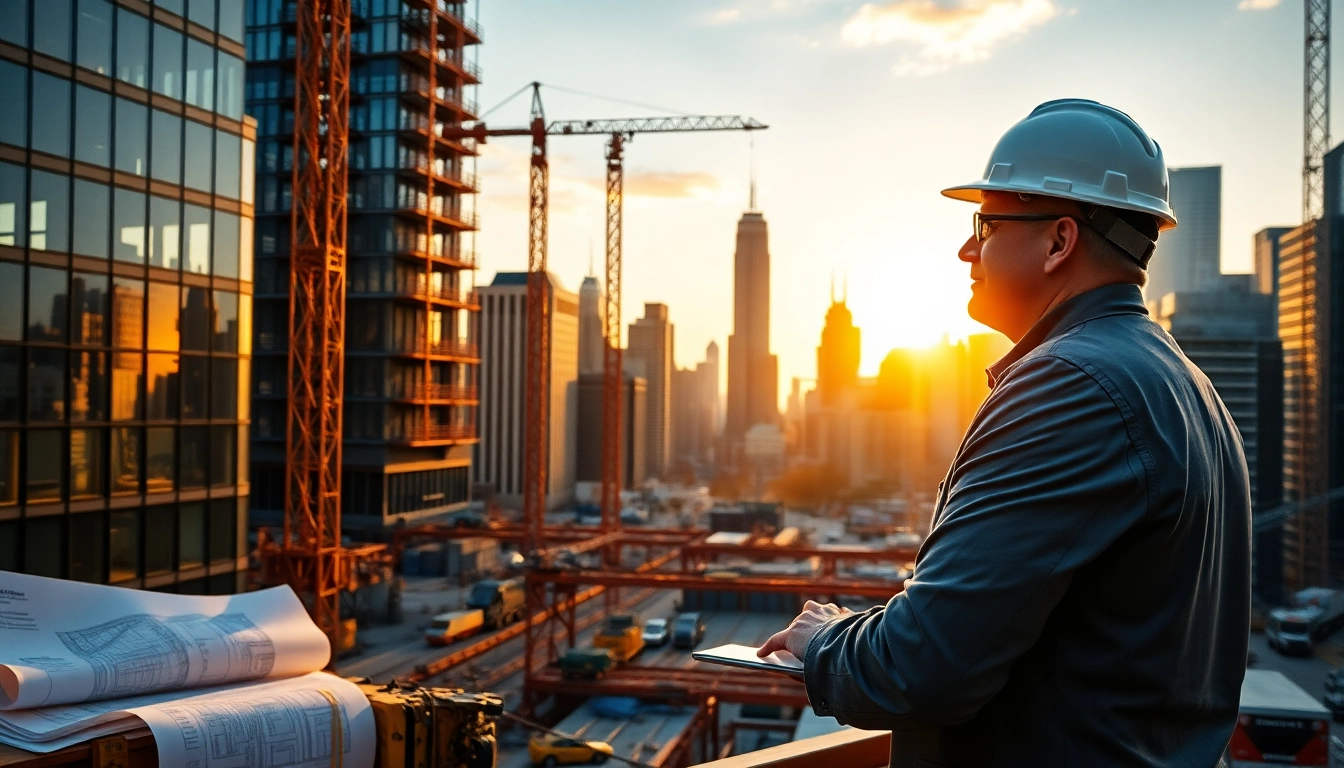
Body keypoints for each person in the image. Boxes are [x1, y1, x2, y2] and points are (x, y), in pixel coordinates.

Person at [759, 99, 1250, 767]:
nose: (967, 248)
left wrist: (826, 641)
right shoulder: (1188, 386)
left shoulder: (1070, 385)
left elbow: (920, 670)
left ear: (1059, 241)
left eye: (986, 223)